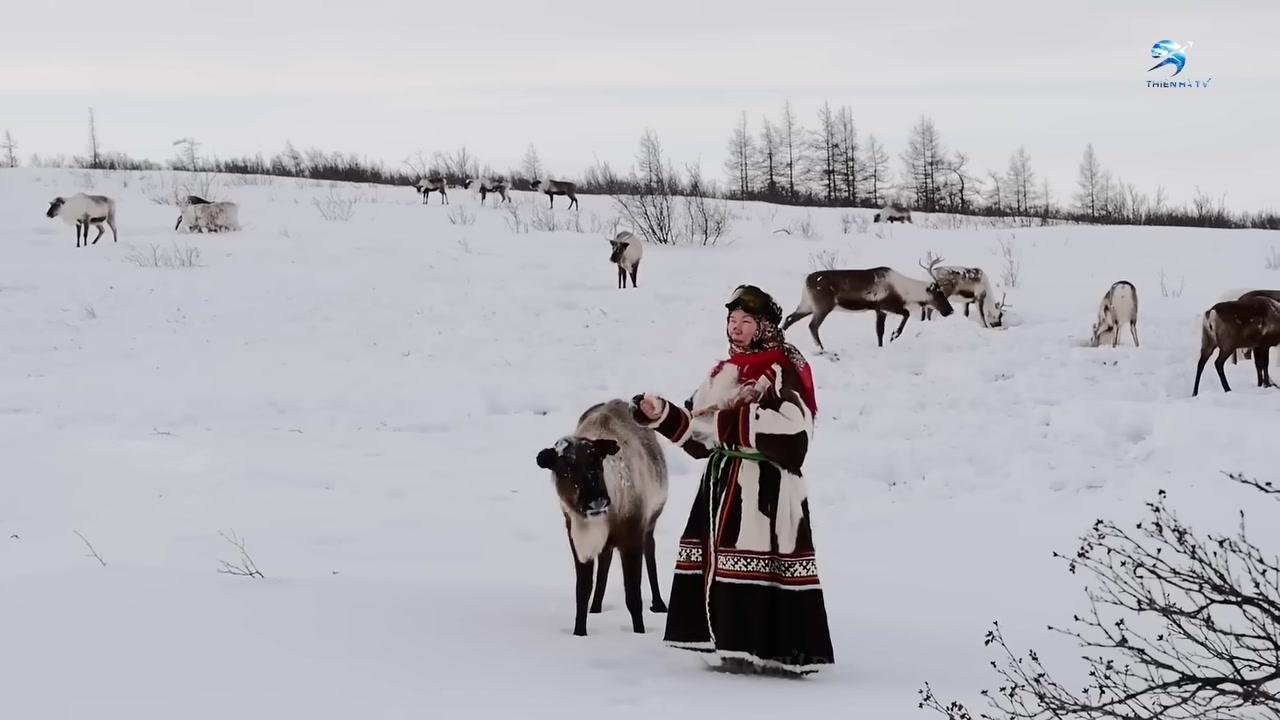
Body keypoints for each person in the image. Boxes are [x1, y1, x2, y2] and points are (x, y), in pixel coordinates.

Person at [631, 284, 834, 676]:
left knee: (762, 567)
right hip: (722, 487)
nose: (736, 327)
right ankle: (729, 649)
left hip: (766, 492)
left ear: (763, 327)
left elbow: (797, 435)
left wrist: (729, 422)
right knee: (721, 568)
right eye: (732, 320)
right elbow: (699, 434)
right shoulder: (724, 372)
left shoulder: (782, 369)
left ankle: (771, 653)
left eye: (745, 321)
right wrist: (660, 414)